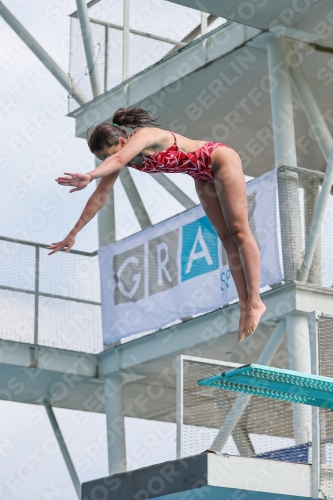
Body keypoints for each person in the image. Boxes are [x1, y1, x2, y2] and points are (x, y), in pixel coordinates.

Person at [48, 107, 266, 342]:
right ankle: (245, 305)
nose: (109, 162)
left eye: (109, 156)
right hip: (201, 175)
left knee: (239, 231)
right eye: (104, 160)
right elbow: (100, 196)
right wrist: (73, 232)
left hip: (218, 159)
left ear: (123, 141)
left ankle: (256, 302)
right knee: (225, 237)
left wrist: (90, 175)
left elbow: (119, 158)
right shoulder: (120, 158)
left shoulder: (143, 137)